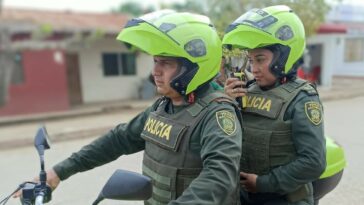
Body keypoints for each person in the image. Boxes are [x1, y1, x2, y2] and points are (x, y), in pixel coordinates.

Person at [16, 10, 243, 205]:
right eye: (155, 61)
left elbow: (219, 177)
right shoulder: (163, 107)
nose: (155, 71)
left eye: (166, 63)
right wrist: (58, 172)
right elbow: (119, 139)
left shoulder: (217, 114)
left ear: (194, 68)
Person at [222, 5, 326, 205]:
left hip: (283, 198)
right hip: (242, 196)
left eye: (260, 59)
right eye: (251, 60)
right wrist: (225, 103)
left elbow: (314, 162)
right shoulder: (245, 91)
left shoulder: (302, 98)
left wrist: (263, 183)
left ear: (283, 56)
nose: (254, 69)